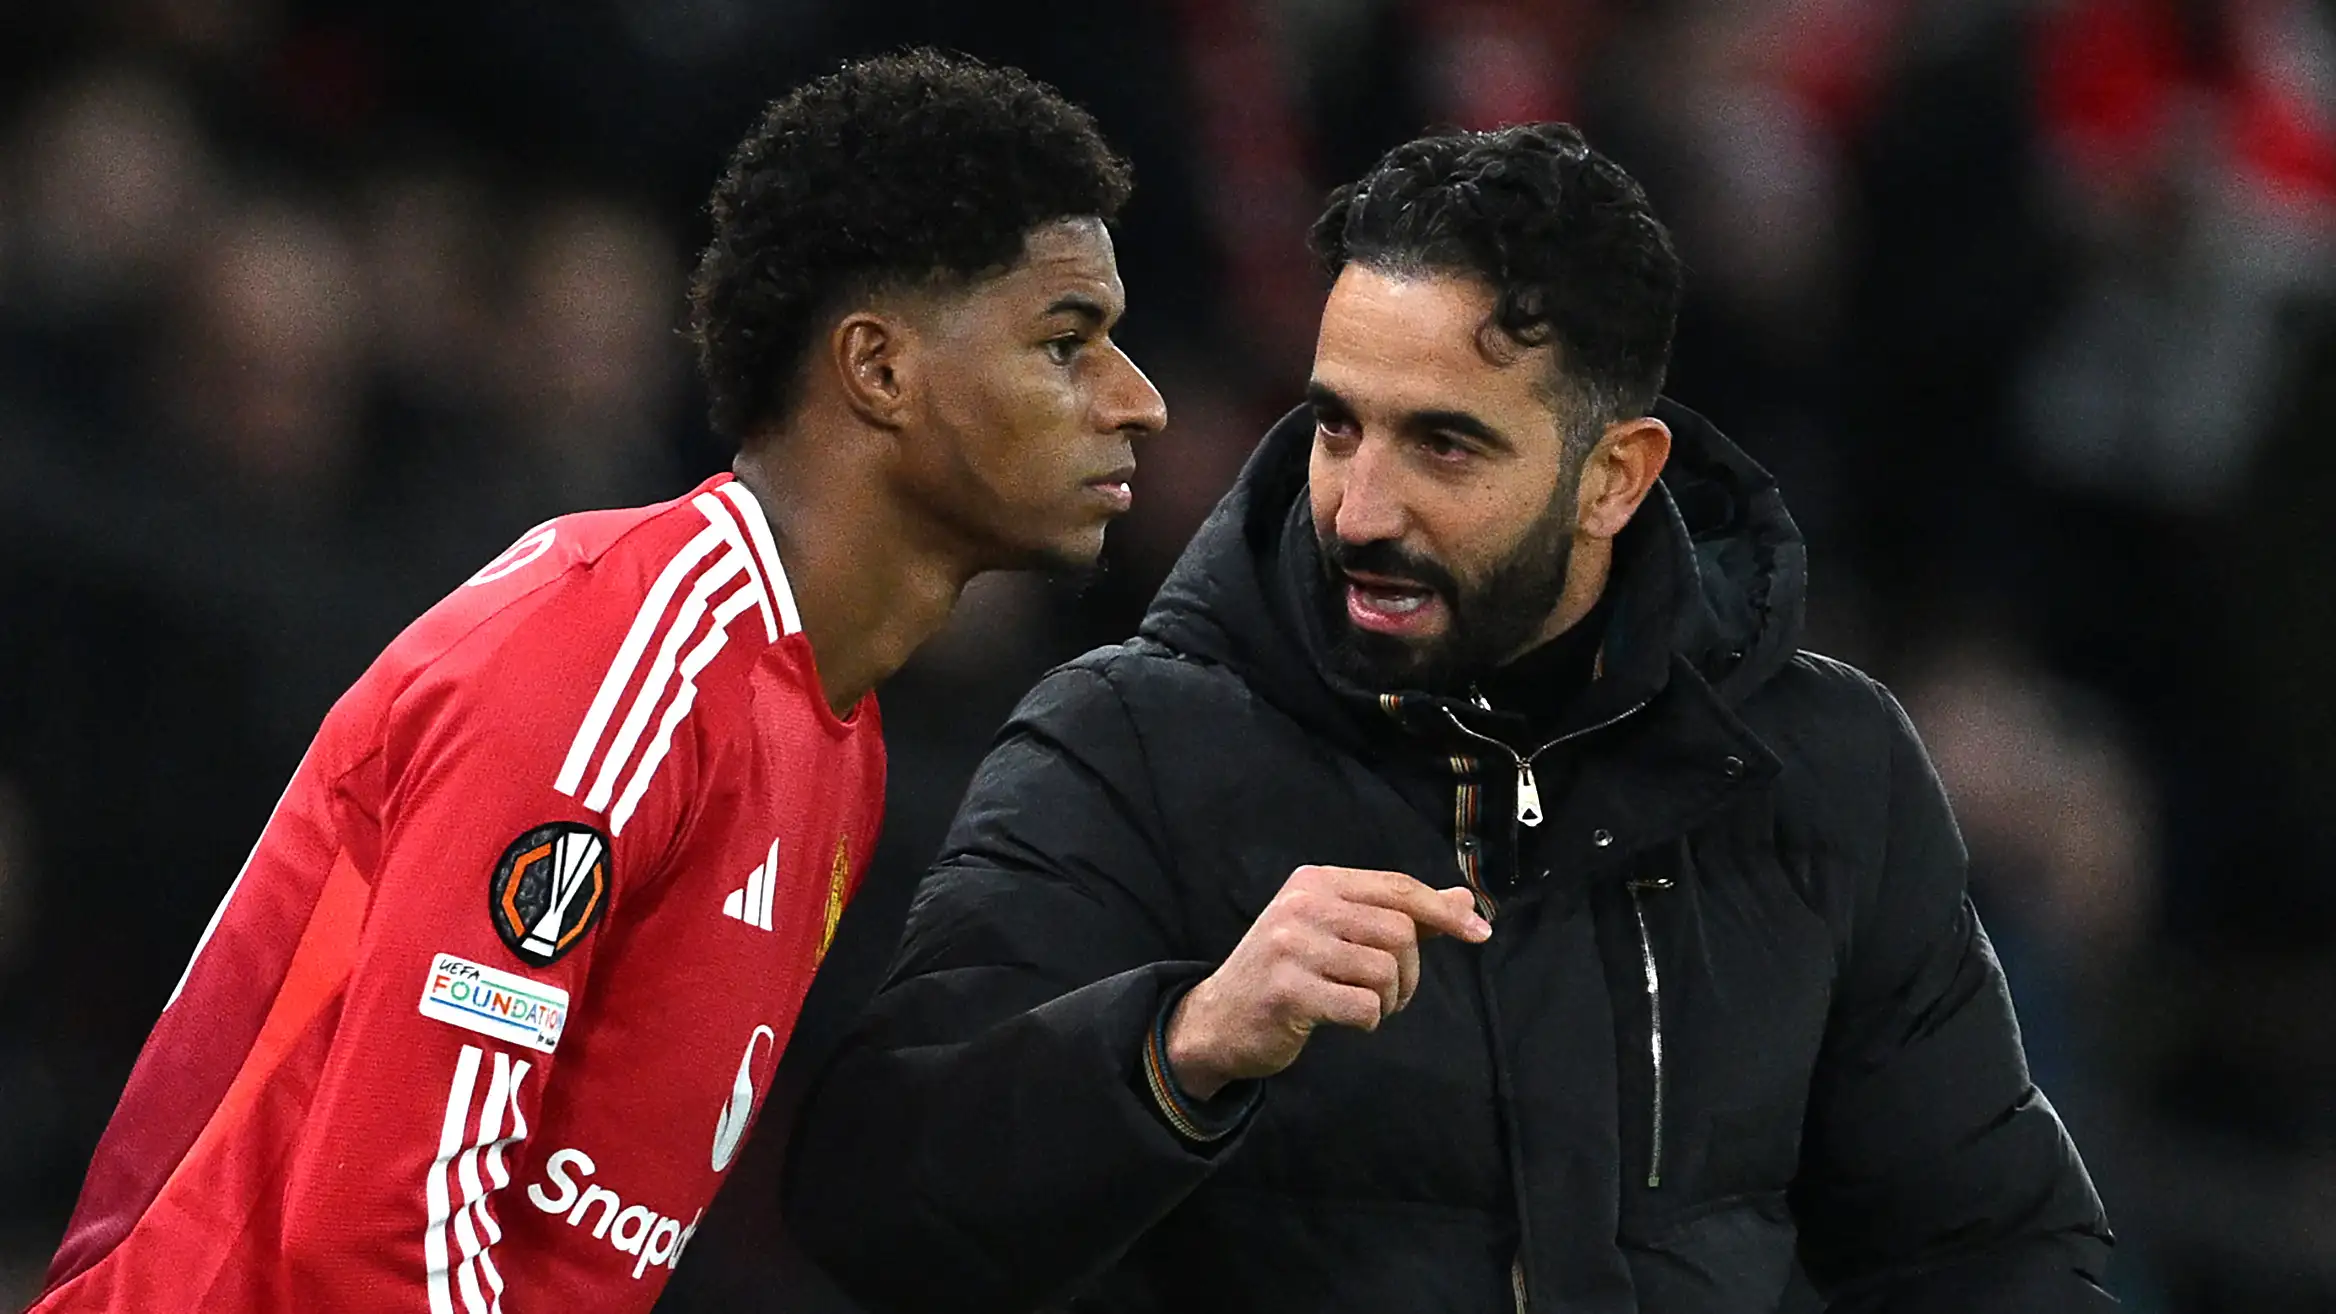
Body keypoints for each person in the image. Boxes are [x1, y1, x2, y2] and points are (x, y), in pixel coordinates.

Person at [785, 123, 2115, 1313]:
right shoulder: (1128, 747)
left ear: (1614, 478)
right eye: (1338, 426)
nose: (1361, 507)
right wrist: (1176, 1048)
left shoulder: (1823, 769)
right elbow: (877, 1209)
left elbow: (1988, 1248)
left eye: (1445, 445)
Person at [30, 49, 1165, 1314]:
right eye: (1068, 342)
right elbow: (377, 1239)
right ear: (879, 369)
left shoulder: (835, 747)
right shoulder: (619, 654)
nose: (1141, 403)